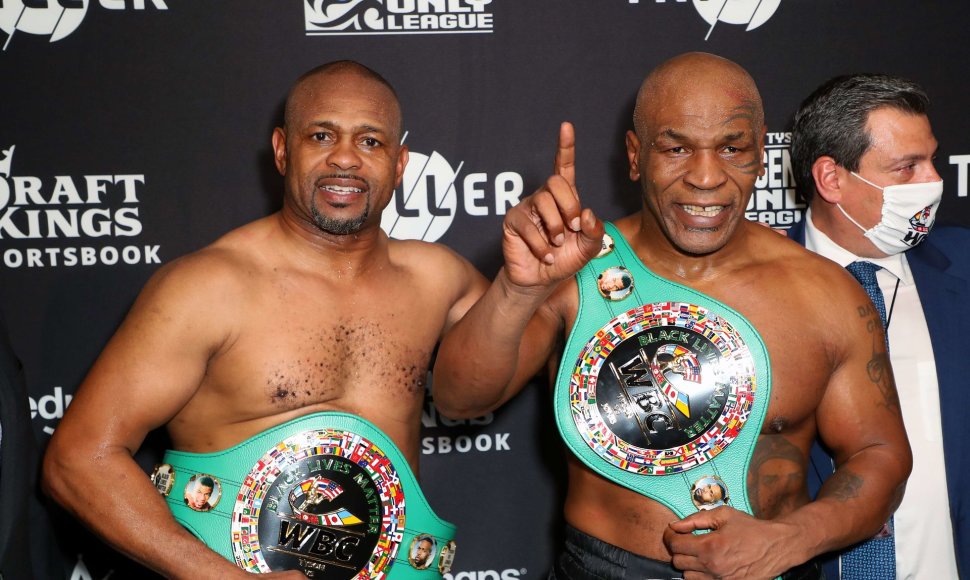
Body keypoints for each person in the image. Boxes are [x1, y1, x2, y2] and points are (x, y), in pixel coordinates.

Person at [432, 52, 912, 579]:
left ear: (762, 154)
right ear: (636, 157)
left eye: (732, 148)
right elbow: (459, 399)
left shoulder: (825, 293)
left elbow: (879, 454)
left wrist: (789, 539)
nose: (705, 177)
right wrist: (519, 288)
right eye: (677, 148)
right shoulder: (574, 270)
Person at [43, 60, 487, 578]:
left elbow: (485, 385)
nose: (345, 158)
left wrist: (528, 288)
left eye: (370, 142)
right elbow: (76, 460)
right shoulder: (207, 287)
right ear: (282, 150)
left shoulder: (438, 278)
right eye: (322, 135)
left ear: (400, 163)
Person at [789, 73, 968, 579]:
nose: (932, 181)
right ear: (831, 179)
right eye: (906, 167)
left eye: (931, 158)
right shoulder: (749, 289)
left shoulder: (965, 268)